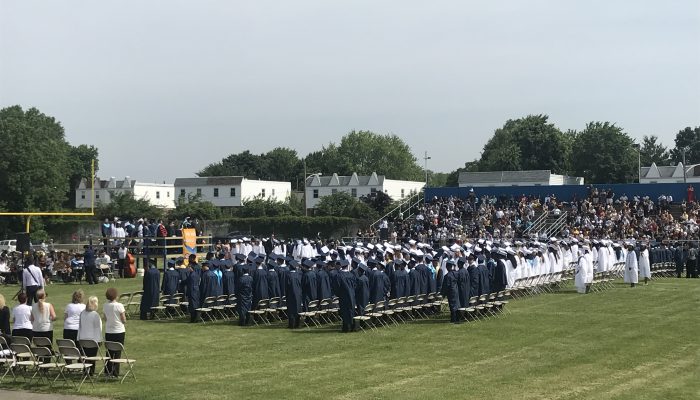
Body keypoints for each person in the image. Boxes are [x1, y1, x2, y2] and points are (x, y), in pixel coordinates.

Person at [104, 287, 126, 378]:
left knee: (109, 351)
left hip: (109, 330)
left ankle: (107, 371)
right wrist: (124, 321)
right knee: (117, 352)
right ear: (116, 296)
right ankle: (115, 372)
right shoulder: (119, 305)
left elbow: (105, 318)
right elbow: (123, 319)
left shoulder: (105, 305)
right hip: (119, 330)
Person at [78, 296, 102, 373]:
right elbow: (98, 329)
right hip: (93, 340)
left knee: (86, 356)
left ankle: (86, 371)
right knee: (92, 357)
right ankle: (91, 372)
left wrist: (79, 338)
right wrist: (100, 340)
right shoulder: (95, 315)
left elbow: (80, 326)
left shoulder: (82, 313)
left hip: (83, 339)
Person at [335, 260, 357, 332]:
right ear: (347, 266)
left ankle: (346, 328)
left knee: (344, 311)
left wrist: (338, 294)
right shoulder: (351, 274)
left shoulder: (339, 275)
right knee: (351, 310)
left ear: (341, 266)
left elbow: (337, 286)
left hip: (343, 296)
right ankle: (353, 326)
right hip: (352, 295)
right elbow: (355, 285)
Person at [285, 260, 303, 329]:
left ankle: (291, 325)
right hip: (298, 294)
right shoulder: (299, 275)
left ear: (290, 267)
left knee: (291, 309)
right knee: (297, 308)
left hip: (291, 294)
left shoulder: (288, 275)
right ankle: (297, 324)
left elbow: (287, 286)